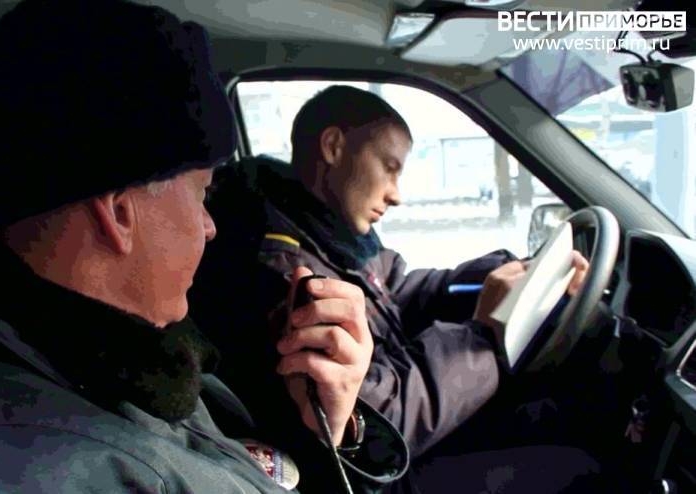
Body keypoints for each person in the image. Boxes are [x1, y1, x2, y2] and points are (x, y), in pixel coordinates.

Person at [0, 4, 408, 493]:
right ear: (118, 214)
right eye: (202, 194)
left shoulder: (121, 358)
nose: (211, 227)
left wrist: (331, 429)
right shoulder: (30, 466)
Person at [190, 85, 605, 493]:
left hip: (407, 433)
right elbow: (378, 423)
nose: (396, 195)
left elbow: (399, 289)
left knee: (559, 413)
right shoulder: (285, 273)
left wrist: (503, 272)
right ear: (333, 147)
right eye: (390, 168)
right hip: (381, 471)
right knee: (579, 468)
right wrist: (482, 338)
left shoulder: (328, 232)